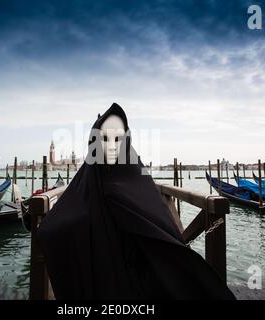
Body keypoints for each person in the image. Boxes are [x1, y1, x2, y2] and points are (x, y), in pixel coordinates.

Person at [36, 103, 235, 299]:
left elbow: (162, 236)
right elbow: (53, 226)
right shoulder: (85, 184)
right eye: (105, 138)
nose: (113, 146)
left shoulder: (141, 186)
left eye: (119, 139)